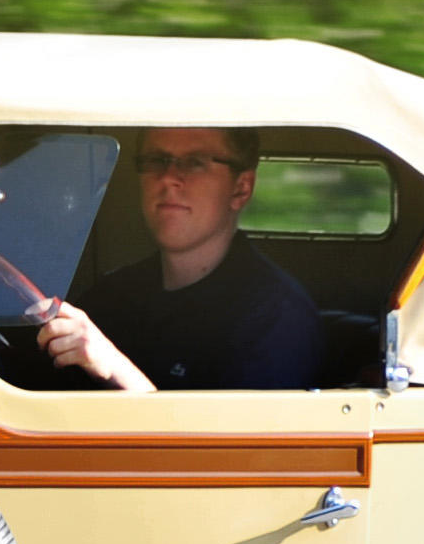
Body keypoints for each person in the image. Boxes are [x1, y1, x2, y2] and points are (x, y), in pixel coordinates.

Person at [30, 126, 320, 392]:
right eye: (156, 160)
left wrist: (114, 368)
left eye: (195, 162)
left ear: (241, 188)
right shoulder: (112, 295)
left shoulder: (275, 316)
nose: (168, 177)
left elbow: (232, 448)